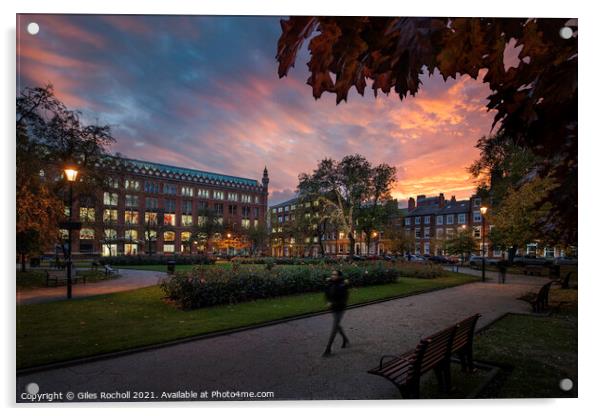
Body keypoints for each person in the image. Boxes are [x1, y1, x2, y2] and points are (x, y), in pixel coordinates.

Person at [323, 270, 350, 356]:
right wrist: (328, 301)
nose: (333, 276)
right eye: (332, 274)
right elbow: (327, 294)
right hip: (334, 308)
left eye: (335, 275)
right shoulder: (331, 283)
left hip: (340, 308)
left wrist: (332, 303)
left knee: (334, 328)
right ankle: (345, 339)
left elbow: (343, 300)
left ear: (339, 276)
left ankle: (328, 349)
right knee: (337, 325)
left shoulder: (342, 285)